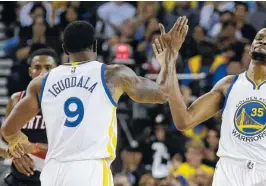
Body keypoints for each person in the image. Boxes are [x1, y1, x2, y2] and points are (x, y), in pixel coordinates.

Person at [1, 18, 188, 186]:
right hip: (90, 170)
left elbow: (8, 130)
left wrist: (19, 146)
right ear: (95, 46)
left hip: (52, 172)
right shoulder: (113, 75)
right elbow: (163, 93)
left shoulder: (41, 83)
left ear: (65, 49)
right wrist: (169, 58)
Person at [154, 27, 266, 185]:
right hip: (228, 172)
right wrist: (169, 64)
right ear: (250, 49)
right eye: (259, 38)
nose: (263, 41)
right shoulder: (228, 84)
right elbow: (184, 120)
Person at [2, 48, 58, 186]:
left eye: (48, 67)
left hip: (53, 178)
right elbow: (3, 140)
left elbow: (69, 146)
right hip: (19, 178)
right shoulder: (16, 99)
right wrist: (12, 154)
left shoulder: (67, 104)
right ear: (30, 72)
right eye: (37, 67)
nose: (43, 72)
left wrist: (35, 147)